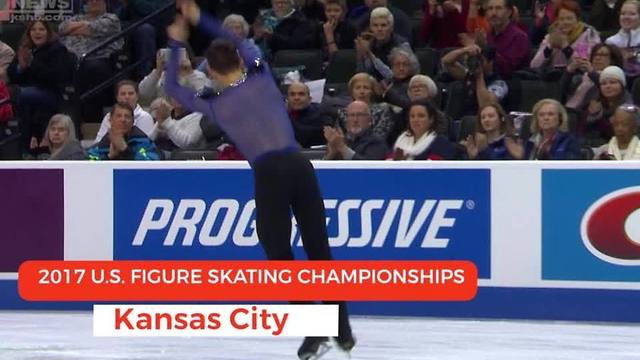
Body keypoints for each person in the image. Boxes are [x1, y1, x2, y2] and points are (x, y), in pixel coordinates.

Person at [164, 2, 355, 359]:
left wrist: (177, 43)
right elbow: (236, 36)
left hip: (270, 172)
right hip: (299, 165)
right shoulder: (260, 74)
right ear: (237, 61)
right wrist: (199, 18)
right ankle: (341, 329)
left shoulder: (216, 103)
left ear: (213, 72)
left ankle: (315, 330)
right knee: (318, 249)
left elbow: (172, 86)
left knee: (278, 250)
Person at [87, 102, 160, 160]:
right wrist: (109, 157)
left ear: (132, 122)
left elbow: (151, 166)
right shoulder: (98, 148)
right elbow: (88, 171)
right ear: (110, 120)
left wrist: (125, 150)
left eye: (127, 116)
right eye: (119, 116)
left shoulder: (146, 144)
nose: (123, 120)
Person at [389, 100, 456, 160]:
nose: (415, 120)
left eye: (421, 116)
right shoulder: (401, 140)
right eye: (412, 116)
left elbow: (434, 170)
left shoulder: (440, 142)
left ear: (431, 119)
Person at [324, 100, 389, 159]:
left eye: (360, 115)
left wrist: (342, 147)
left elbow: (367, 168)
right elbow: (324, 169)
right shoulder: (343, 140)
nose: (355, 120)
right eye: (352, 115)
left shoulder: (376, 142)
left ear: (369, 120)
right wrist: (332, 153)